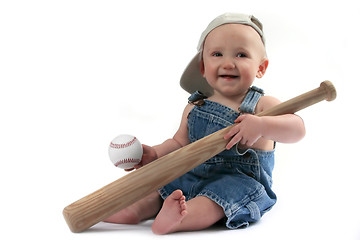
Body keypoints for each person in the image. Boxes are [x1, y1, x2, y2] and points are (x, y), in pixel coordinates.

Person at [105, 12, 306, 235]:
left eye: (241, 55)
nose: (228, 63)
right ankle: (136, 210)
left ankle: (180, 218)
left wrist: (262, 126)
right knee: (162, 185)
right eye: (217, 54)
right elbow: (179, 142)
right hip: (195, 173)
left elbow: (297, 128)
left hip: (239, 181)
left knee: (216, 201)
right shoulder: (196, 105)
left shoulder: (261, 105)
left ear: (261, 68)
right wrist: (155, 154)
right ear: (203, 67)